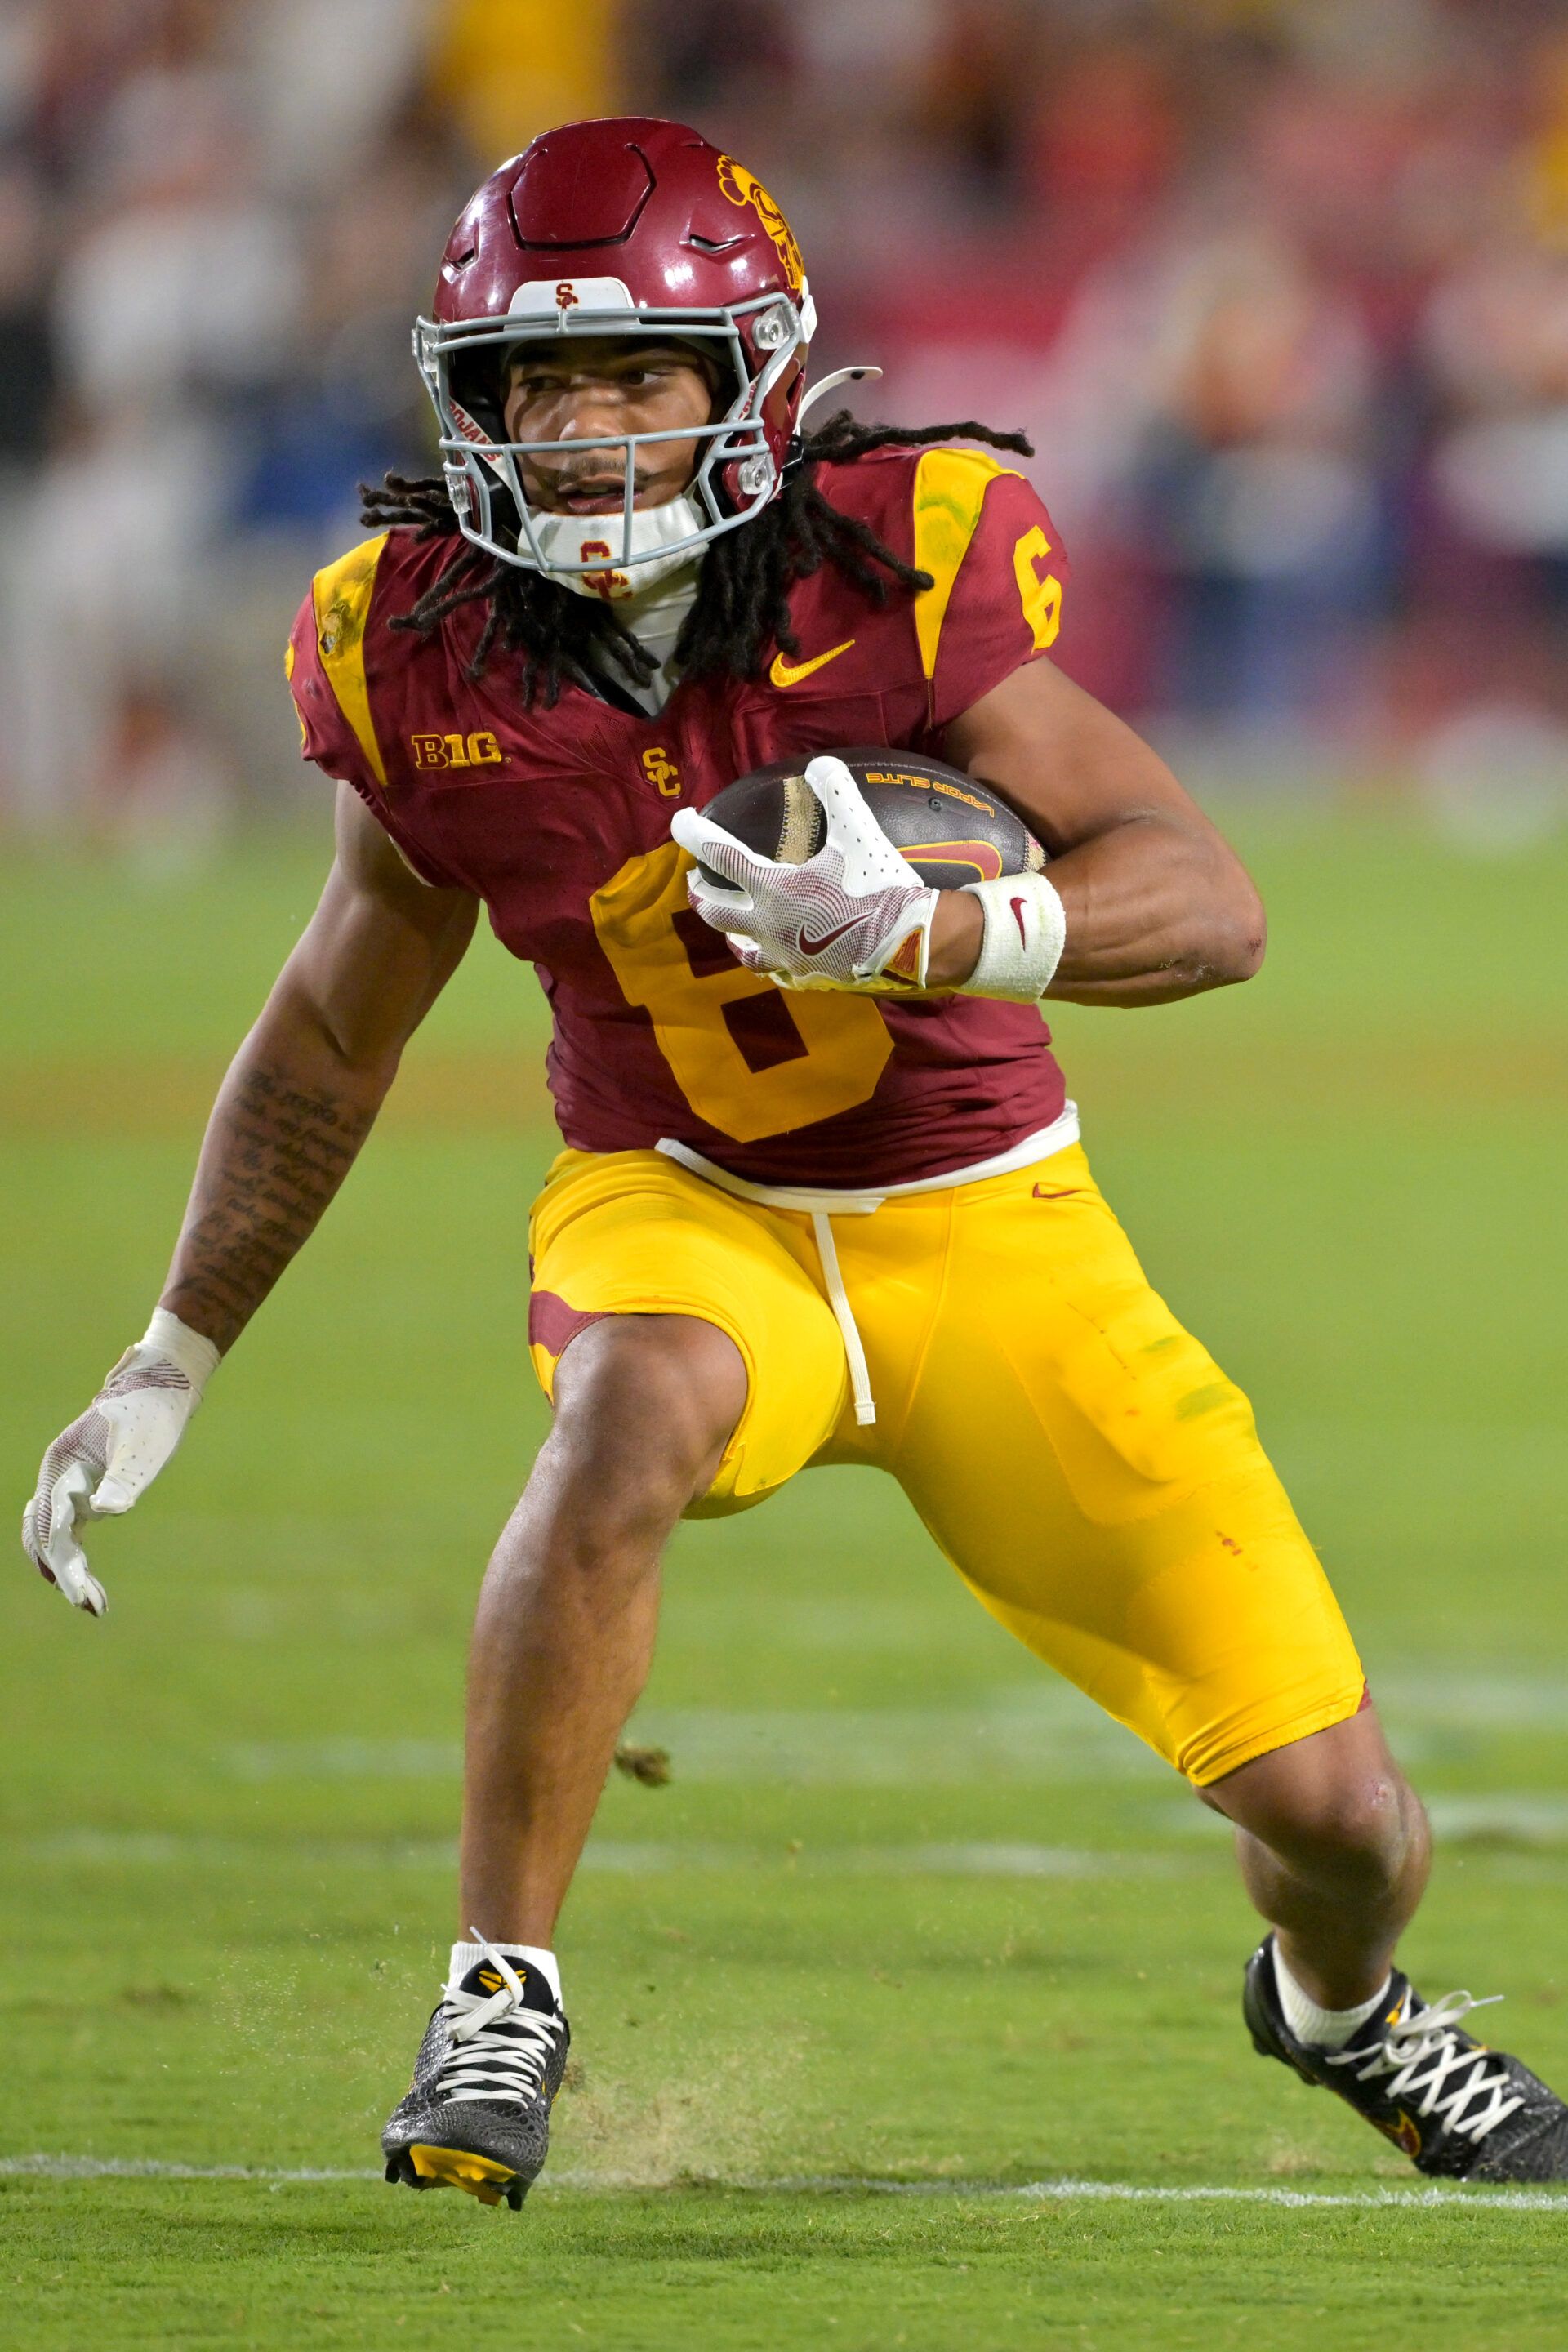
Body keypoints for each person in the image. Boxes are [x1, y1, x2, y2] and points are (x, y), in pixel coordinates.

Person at [23, 117, 1568, 2209]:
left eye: (639, 375)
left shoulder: (903, 551)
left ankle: (1344, 2014)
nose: (581, 430)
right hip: (683, 1204)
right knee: (626, 1405)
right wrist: (174, 1347)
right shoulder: (411, 642)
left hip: (993, 1225)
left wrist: (954, 930)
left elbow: (1207, 898)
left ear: (749, 374)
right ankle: (501, 1995)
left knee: (1347, 1823)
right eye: (533, 384)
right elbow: (332, 1018)